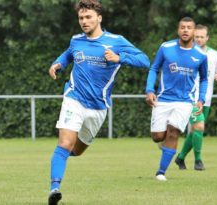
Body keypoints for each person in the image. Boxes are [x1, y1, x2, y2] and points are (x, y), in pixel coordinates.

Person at [47, 0, 150, 204]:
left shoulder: (116, 41)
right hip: (74, 98)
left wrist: (119, 58)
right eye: (81, 18)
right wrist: (57, 63)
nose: (84, 21)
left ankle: (61, 158)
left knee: (77, 150)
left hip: (98, 107)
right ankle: (54, 189)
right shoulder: (76, 40)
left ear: (99, 18)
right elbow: (69, 54)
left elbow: (145, 61)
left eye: (88, 17)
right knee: (65, 143)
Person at [145, 17, 208, 181]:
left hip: (185, 102)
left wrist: (201, 99)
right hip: (163, 99)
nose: (185, 30)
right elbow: (154, 68)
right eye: (182, 27)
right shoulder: (166, 48)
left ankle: (161, 172)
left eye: (189, 27)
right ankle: (164, 144)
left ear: (194, 31)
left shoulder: (200, 55)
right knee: (157, 137)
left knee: (173, 132)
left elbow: (204, 79)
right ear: (178, 30)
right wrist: (150, 89)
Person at [174, 24, 217, 171]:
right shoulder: (187, 53)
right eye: (197, 36)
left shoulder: (214, 54)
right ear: (193, 37)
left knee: (196, 130)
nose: (199, 39)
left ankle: (181, 158)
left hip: (206, 98)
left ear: (207, 38)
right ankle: (198, 161)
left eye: (202, 36)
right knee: (199, 127)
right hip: (192, 98)